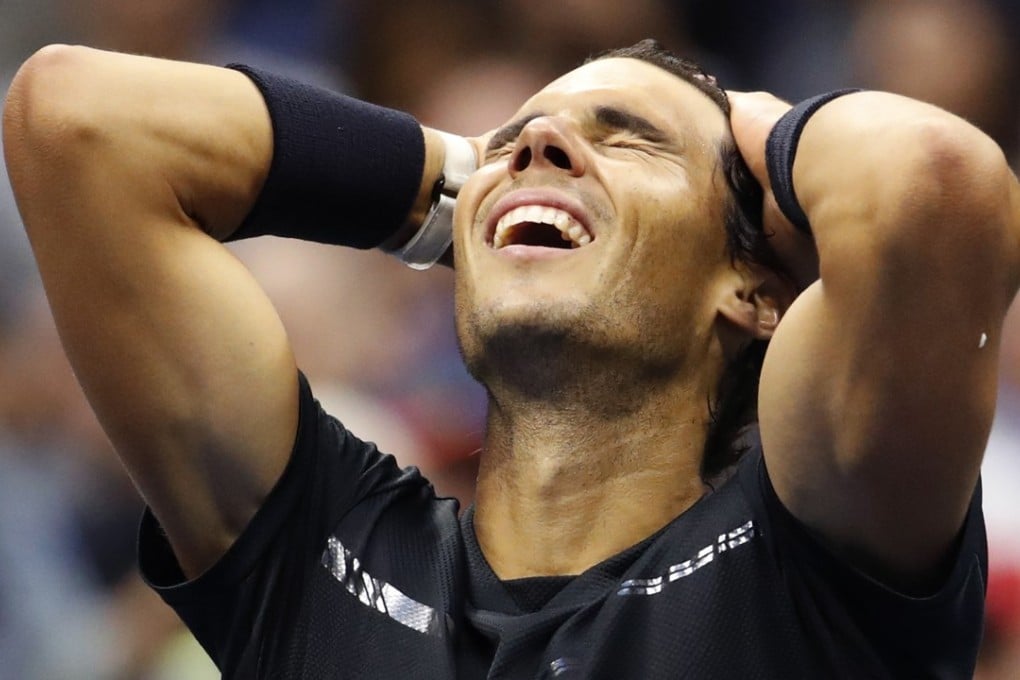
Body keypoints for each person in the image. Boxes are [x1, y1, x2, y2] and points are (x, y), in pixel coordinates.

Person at [4, 38, 1018, 678]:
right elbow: (77, 121)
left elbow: (932, 182)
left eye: (631, 141)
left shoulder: (811, 550)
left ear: (754, 292)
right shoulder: (322, 547)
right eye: (516, 139)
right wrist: (477, 186)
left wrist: (737, 121)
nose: (539, 148)